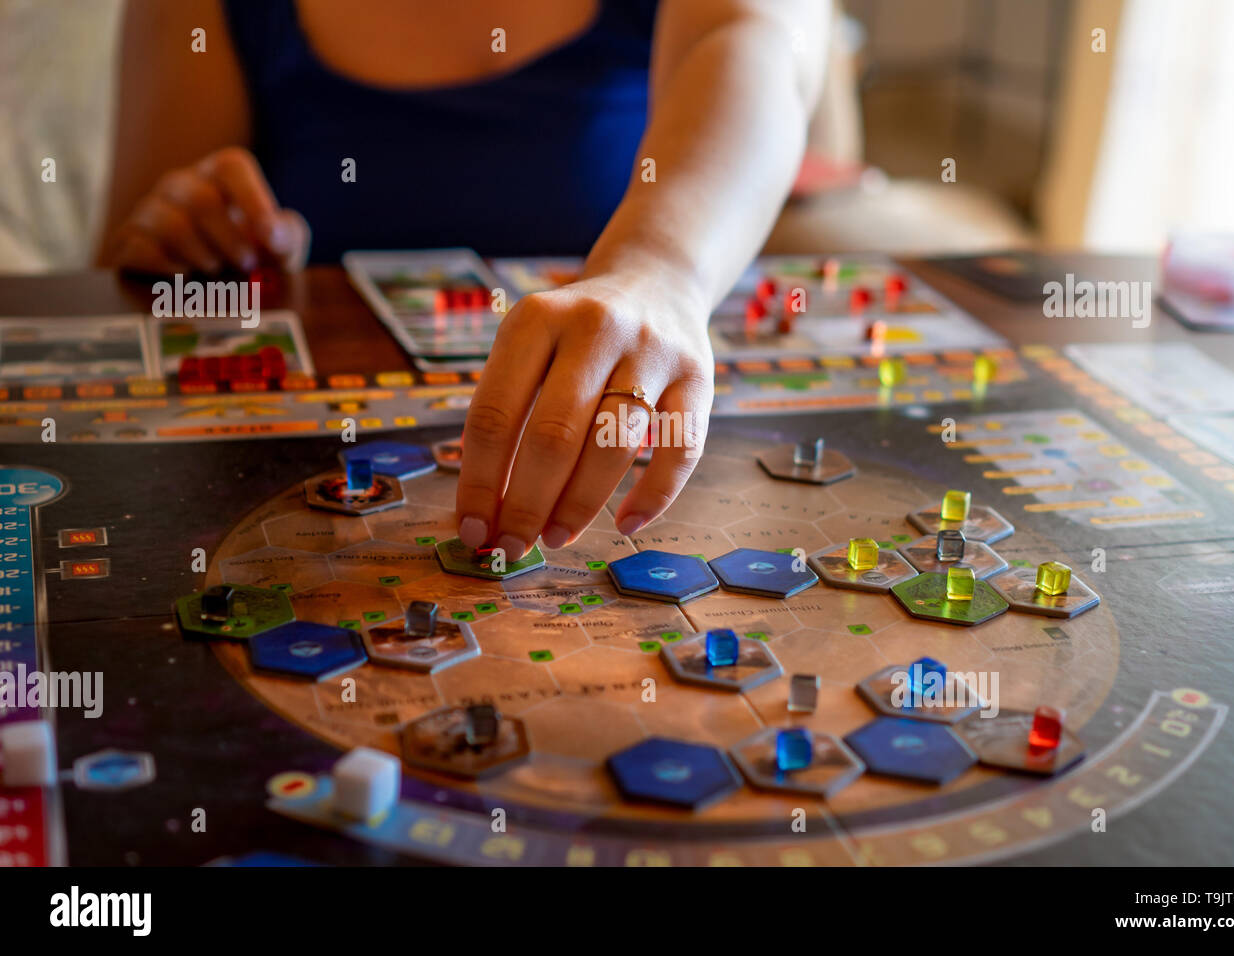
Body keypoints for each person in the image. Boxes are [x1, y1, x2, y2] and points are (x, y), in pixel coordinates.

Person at [99, 0, 830, 561]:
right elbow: (126, 258)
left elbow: (757, 42)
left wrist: (658, 272)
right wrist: (192, 235)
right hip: (282, 480)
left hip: (635, 443)